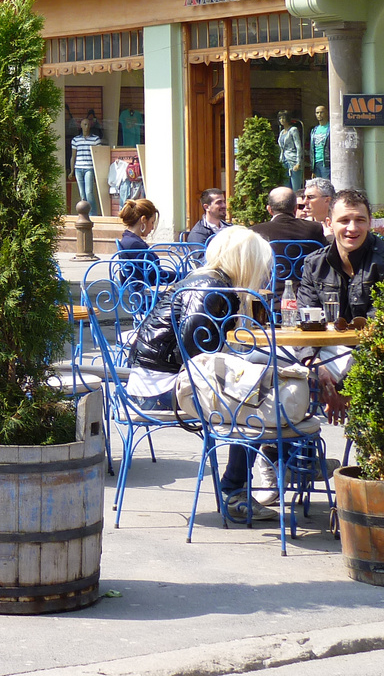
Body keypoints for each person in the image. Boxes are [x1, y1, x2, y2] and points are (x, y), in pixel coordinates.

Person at [126, 226, 278, 519]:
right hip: (161, 392)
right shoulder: (212, 286)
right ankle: (235, 492)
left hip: (157, 383)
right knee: (256, 400)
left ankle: (278, 465)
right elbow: (195, 349)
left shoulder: (210, 280)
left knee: (261, 384)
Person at [298, 189, 384, 324]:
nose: (352, 228)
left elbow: (378, 323)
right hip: (325, 343)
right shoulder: (315, 264)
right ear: (329, 224)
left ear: (369, 223)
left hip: (371, 343)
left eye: (360, 220)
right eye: (344, 221)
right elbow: (306, 318)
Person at [250, 186, 326, 244]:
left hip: (272, 265)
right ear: (295, 208)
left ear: (269, 209)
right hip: (303, 265)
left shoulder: (255, 232)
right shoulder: (315, 228)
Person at [114, 198, 161, 285]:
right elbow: (157, 275)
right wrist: (186, 275)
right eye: (152, 222)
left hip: (144, 291)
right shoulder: (134, 244)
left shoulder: (129, 240)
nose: (153, 227)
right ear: (143, 220)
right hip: (147, 293)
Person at [71, 114, 103, 217]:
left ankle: (93, 214)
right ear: (81, 125)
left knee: (89, 192)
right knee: (82, 193)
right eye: (84, 124)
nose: (86, 127)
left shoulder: (96, 139)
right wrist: (72, 170)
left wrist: (98, 169)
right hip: (78, 168)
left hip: (89, 167)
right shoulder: (76, 140)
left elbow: (99, 155)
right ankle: (84, 214)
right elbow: (73, 156)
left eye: (88, 124)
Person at [310, 105, 330, 181]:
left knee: (326, 186)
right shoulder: (314, 130)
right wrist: (312, 168)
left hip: (326, 162)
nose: (319, 115)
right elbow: (312, 148)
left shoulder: (330, 128)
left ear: (326, 113)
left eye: (321, 112)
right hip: (316, 163)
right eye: (317, 113)